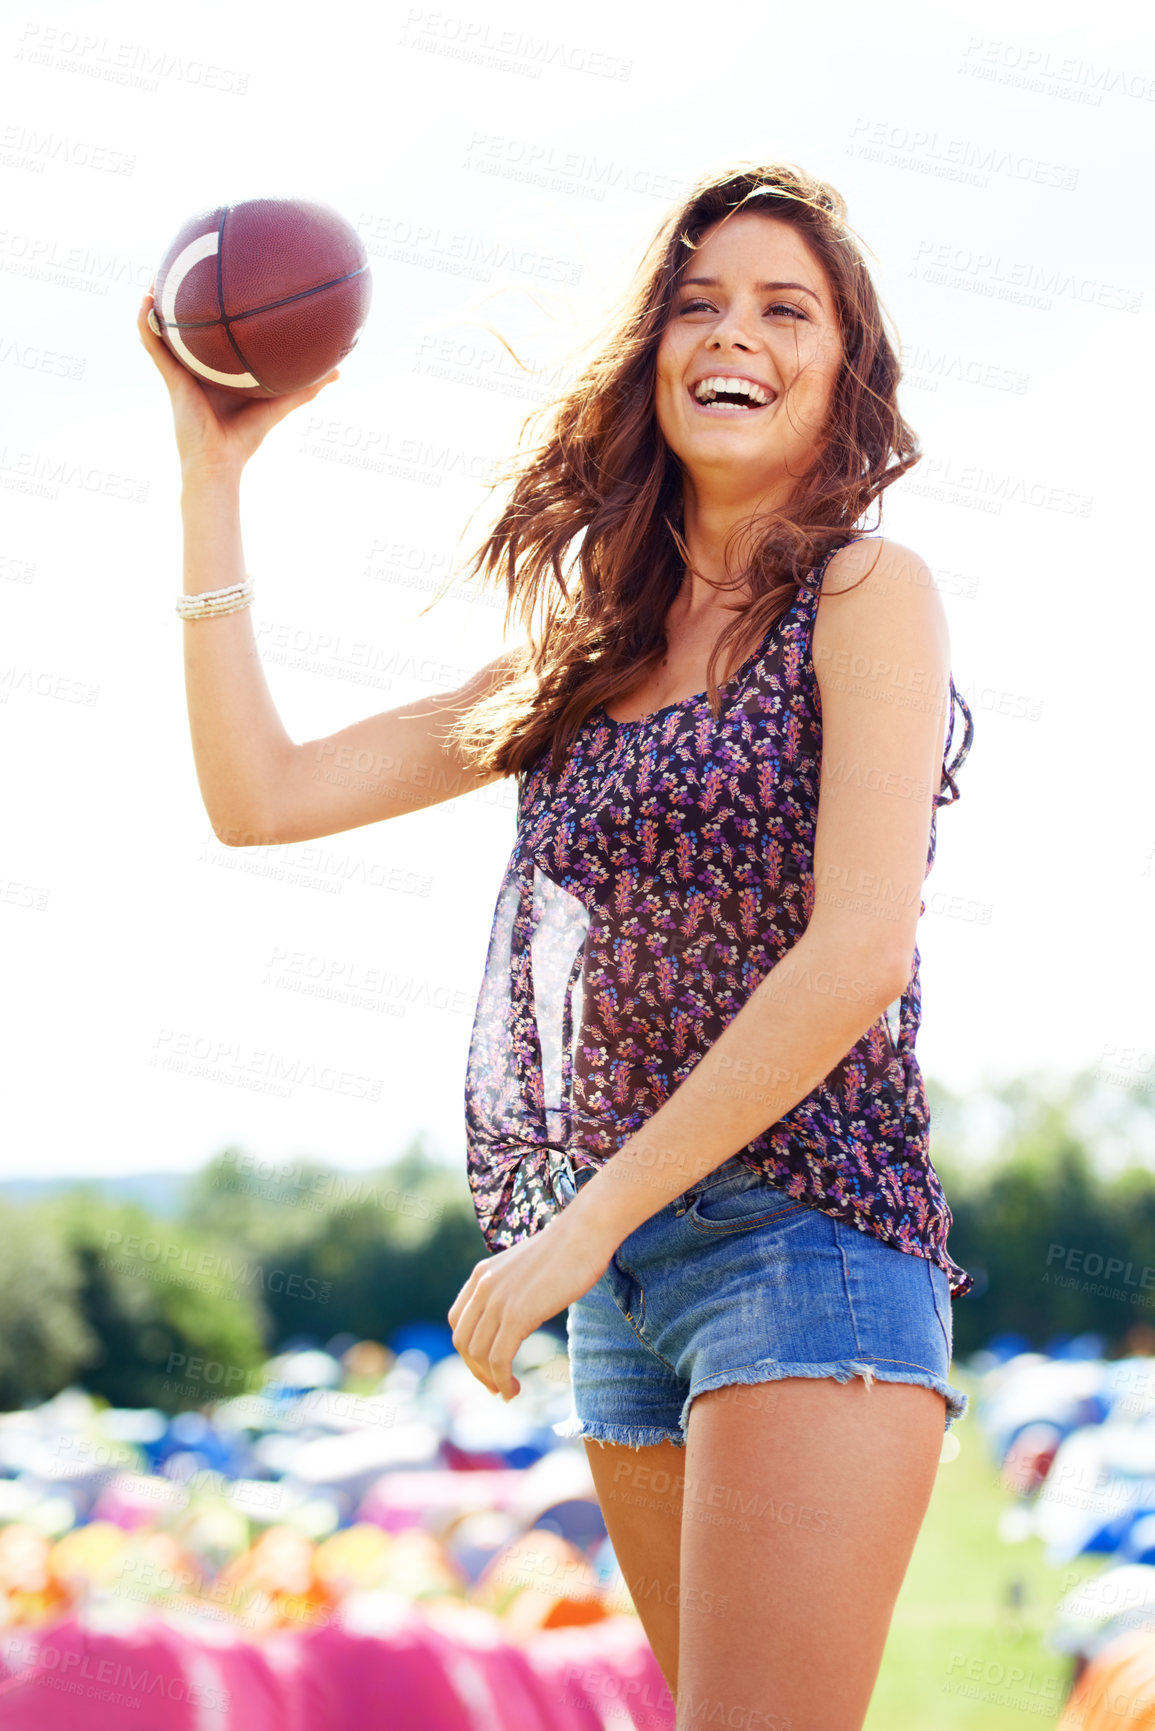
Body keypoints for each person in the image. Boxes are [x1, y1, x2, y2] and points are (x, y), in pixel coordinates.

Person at [139, 161, 974, 1731]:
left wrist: (580, 1220)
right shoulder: (587, 655)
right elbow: (261, 796)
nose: (733, 331)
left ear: (841, 372)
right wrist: (212, 474)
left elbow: (858, 953)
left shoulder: (868, 592)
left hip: (808, 1247)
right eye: (697, 302)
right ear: (653, 353)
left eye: (784, 307)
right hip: (628, 1290)